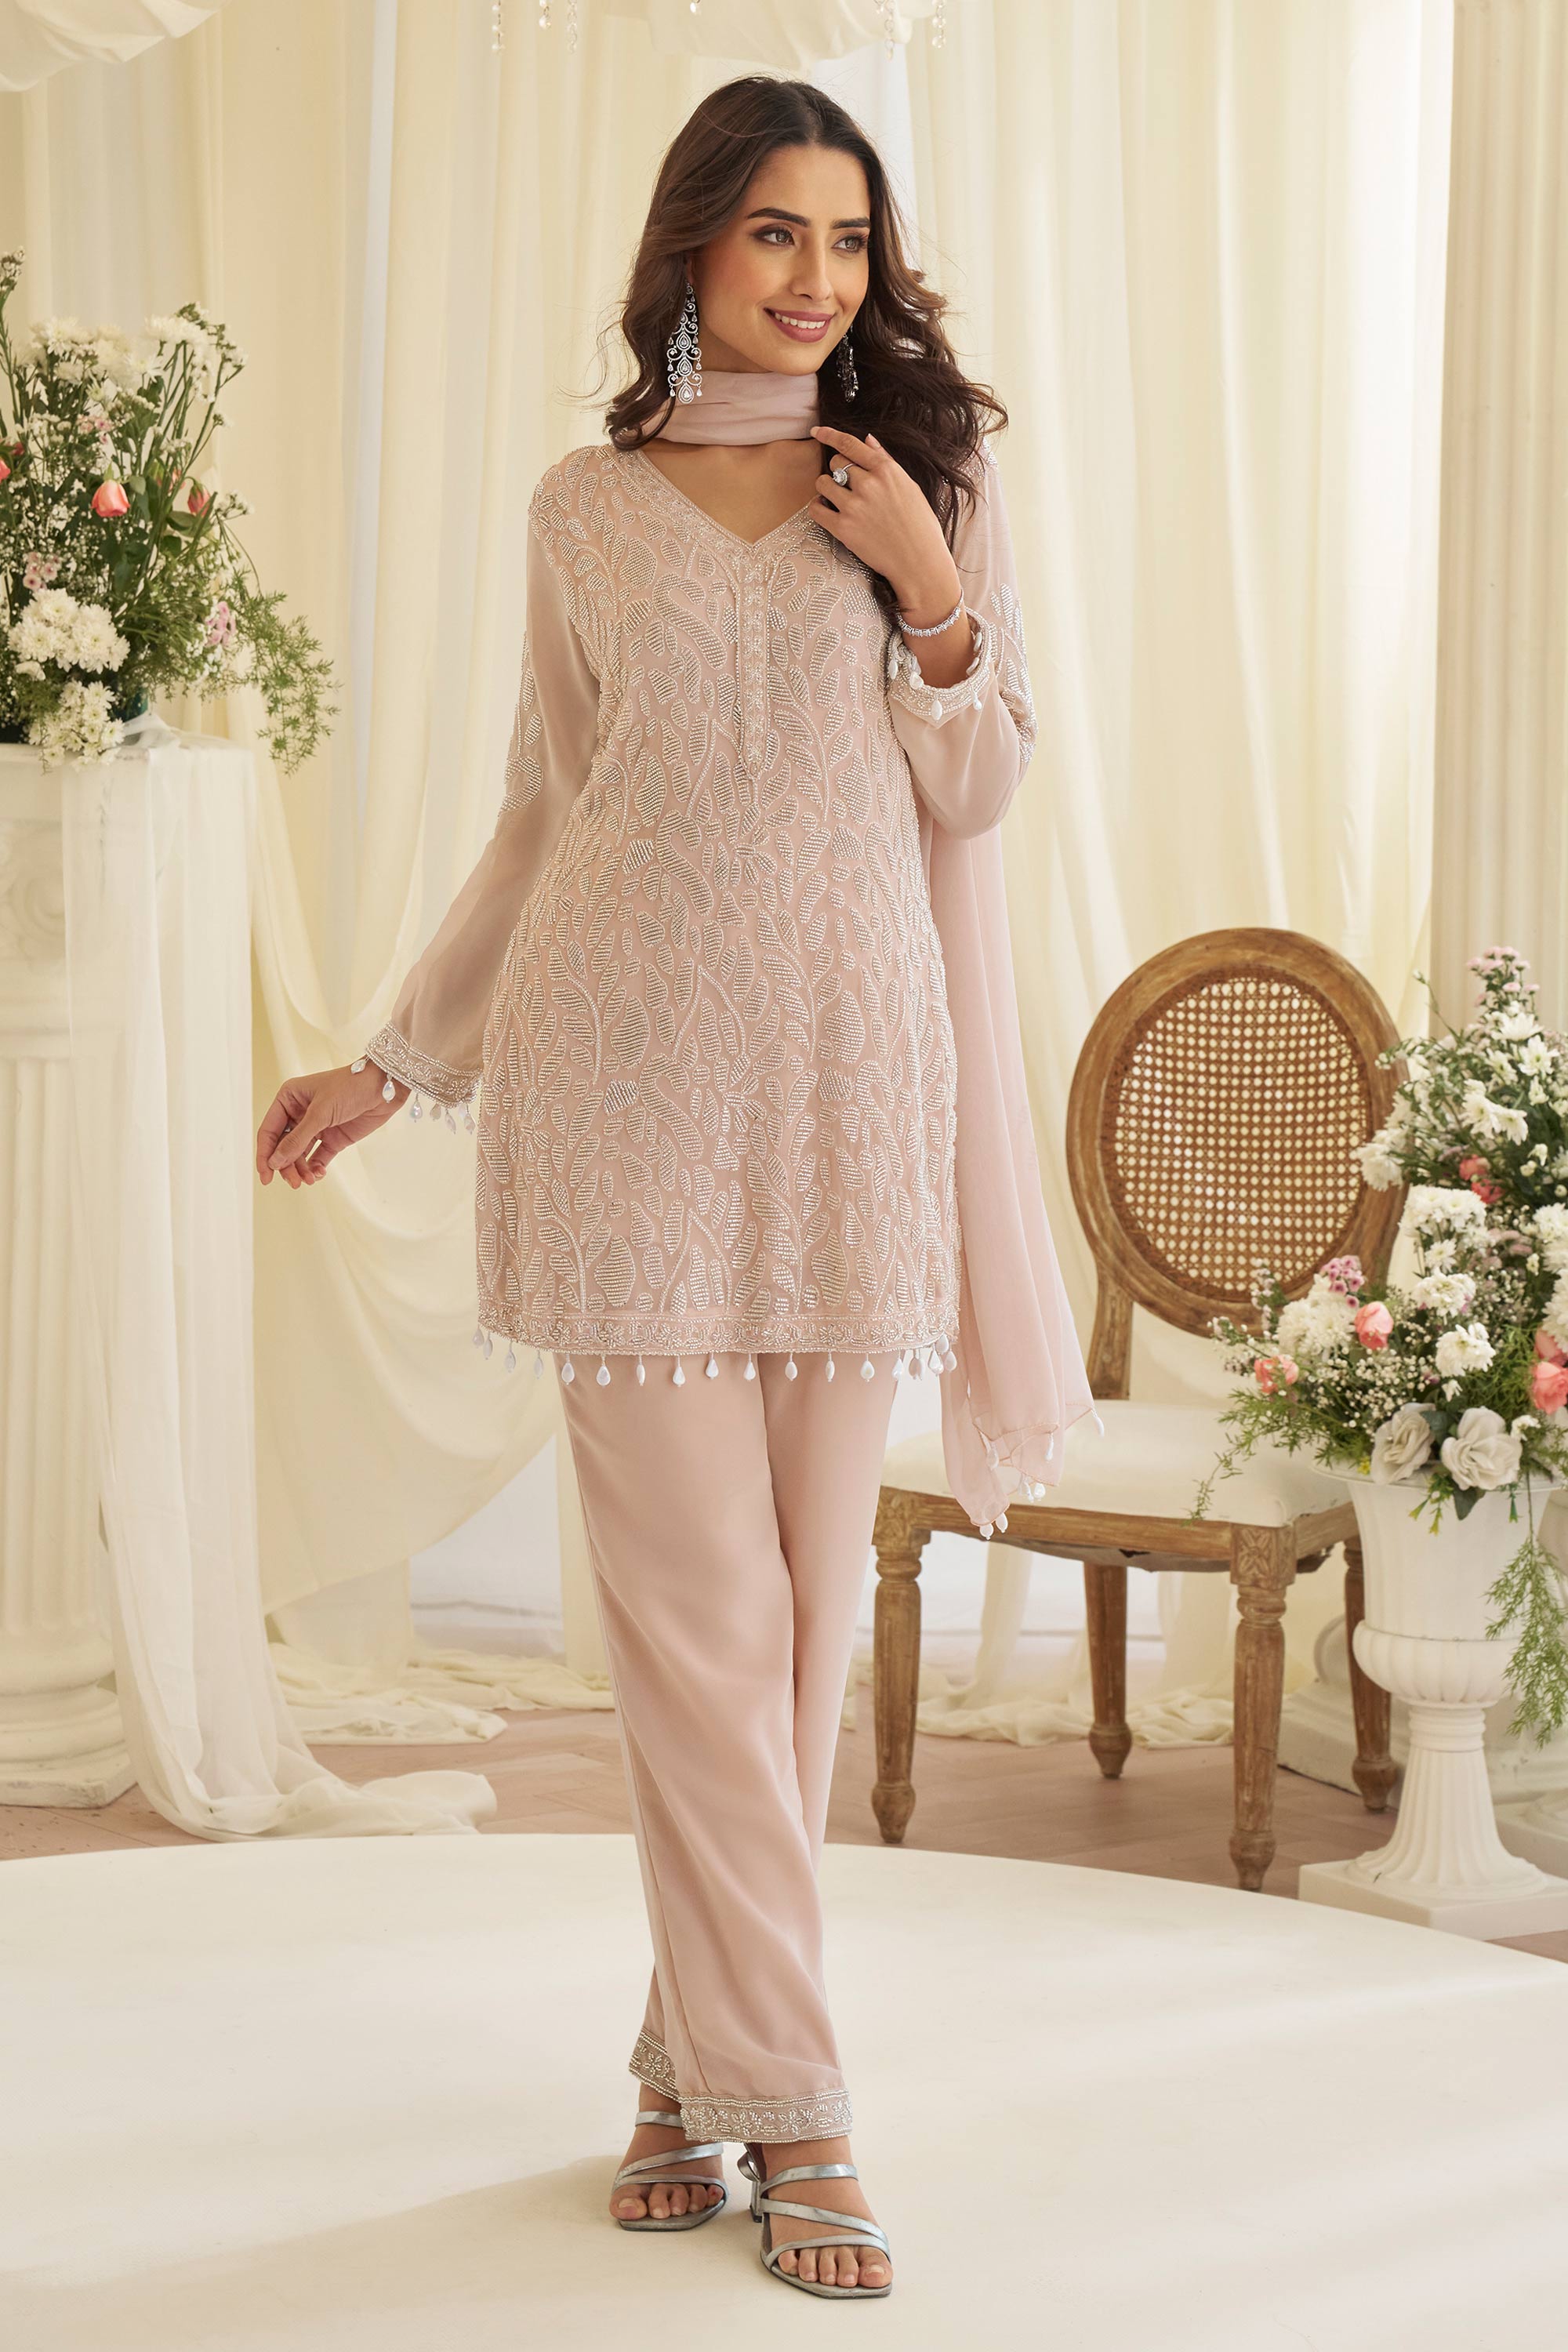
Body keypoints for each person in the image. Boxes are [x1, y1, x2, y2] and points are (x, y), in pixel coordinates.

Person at [256, 74, 1092, 2304]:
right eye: (776, 234)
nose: (817, 278)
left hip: (845, 1100)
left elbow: (984, 786)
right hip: (620, 1099)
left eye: (849, 238)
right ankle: (800, 2108)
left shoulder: (922, 485)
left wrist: (930, 586)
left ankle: (679, 2065)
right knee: (705, 1632)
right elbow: (544, 812)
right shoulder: (583, 508)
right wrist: (396, 1061)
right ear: (696, 249)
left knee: (794, 1640)